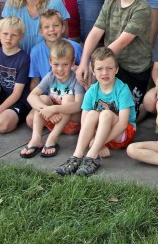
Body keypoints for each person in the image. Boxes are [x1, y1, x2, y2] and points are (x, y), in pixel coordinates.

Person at [76, 0, 153, 105]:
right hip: (111, 63)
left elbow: (122, 42)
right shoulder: (109, 3)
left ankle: (142, 108)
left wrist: (96, 64)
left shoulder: (142, 8)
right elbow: (95, 33)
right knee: (97, 100)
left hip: (133, 69)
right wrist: (84, 61)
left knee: (124, 109)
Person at [58, 47, 138, 176]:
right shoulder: (91, 91)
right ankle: (77, 156)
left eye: (109, 68)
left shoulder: (122, 90)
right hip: (99, 136)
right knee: (91, 114)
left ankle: (92, 156)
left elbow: (123, 124)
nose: (105, 72)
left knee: (106, 114)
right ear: (93, 71)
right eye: (100, 69)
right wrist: (94, 139)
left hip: (122, 134)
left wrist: (98, 143)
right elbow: (84, 121)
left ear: (116, 69)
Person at [20, 39, 83, 159]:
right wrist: (45, 109)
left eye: (65, 64)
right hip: (54, 120)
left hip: (71, 123)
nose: (60, 69)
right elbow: (31, 96)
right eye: (56, 64)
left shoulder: (76, 79)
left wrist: (54, 109)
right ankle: (36, 139)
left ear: (72, 62)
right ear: (50, 62)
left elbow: (78, 105)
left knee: (68, 98)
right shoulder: (50, 76)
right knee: (42, 98)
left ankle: (52, 138)